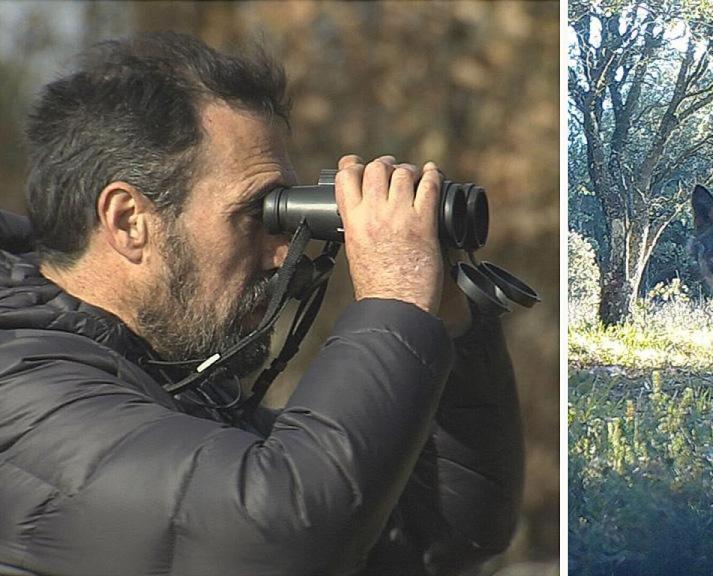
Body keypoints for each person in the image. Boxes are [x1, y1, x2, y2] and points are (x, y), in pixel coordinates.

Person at [0, 32, 523, 576]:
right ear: (129, 221)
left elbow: (439, 537)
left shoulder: (172, 382)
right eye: (257, 214)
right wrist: (393, 299)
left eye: (288, 216)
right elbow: (274, 534)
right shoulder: (21, 388)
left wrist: (452, 330)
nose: (283, 254)